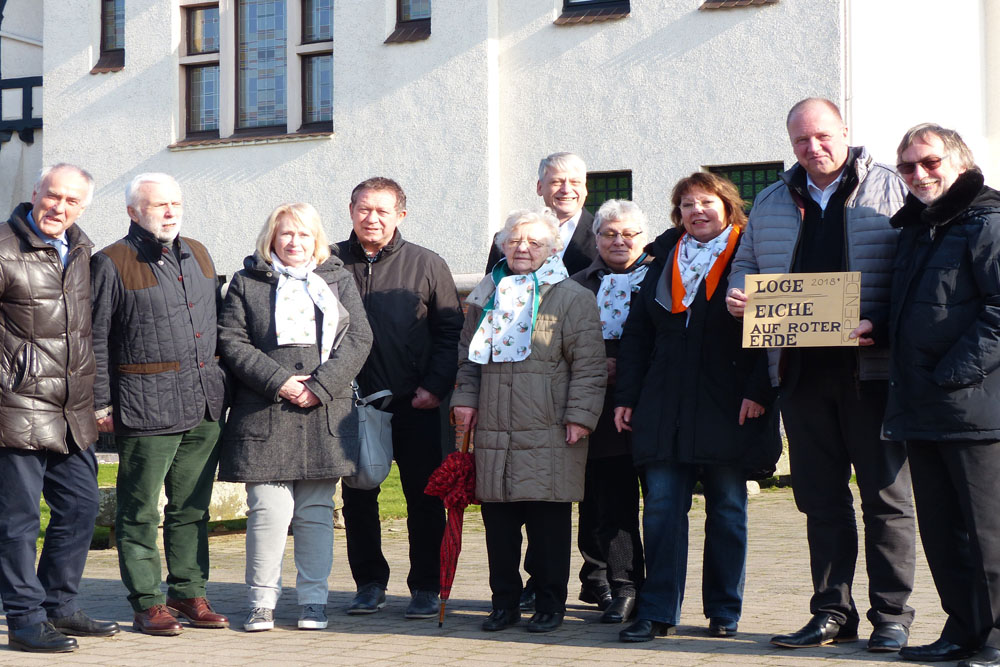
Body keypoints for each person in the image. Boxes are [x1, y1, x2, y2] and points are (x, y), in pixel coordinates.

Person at [726, 97, 916, 652]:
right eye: (802, 141)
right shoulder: (770, 199)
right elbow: (748, 264)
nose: (814, 148)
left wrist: (877, 323)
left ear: (845, 132)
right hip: (800, 371)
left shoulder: (891, 187)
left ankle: (891, 616)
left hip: (872, 371)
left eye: (823, 136)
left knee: (885, 498)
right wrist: (741, 296)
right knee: (819, 499)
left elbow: (915, 271)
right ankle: (832, 611)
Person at [614, 174, 780, 643]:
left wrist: (761, 392)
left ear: (727, 207)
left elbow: (771, 332)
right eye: (686, 204)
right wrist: (627, 396)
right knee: (663, 508)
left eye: (706, 202)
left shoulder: (752, 254)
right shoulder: (663, 257)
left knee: (727, 508)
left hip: (731, 402)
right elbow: (638, 333)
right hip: (665, 404)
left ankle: (724, 610)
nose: (696, 211)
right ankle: (657, 610)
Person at [218, 203, 372, 633]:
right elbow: (232, 340)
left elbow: (359, 338)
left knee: (316, 513)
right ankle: (261, 602)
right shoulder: (246, 283)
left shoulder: (338, 280)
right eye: (286, 234)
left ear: (317, 240)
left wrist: (318, 386)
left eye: (304, 235)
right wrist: (282, 382)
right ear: (271, 238)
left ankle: (313, 601)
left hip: (323, 413)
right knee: (267, 511)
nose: (294, 242)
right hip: (265, 414)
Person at [453, 208, 606, 633]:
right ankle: (503, 603)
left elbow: (589, 366)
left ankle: (549, 604)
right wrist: (464, 400)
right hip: (493, 431)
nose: (523, 248)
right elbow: (467, 359)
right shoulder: (485, 293)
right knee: (499, 528)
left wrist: (580, 417)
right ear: (502, 245)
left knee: (548, 528)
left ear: (553, 249)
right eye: (515, 240)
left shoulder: (572, 296)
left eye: (534, 242)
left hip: (550, 428)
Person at [90, 173, 228, 636]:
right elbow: (95, 339)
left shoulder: (200, 253)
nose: (169, 212)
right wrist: (100, 403)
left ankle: (188, 593)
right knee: (141, 510)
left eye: (175, 203)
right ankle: (148, 601)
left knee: (191, 507)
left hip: (204, 403)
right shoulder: (111, 262)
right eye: (157, 205)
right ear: (133, 211)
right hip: (146, 405)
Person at [882, 125, 1000, 667]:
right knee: (942, 530)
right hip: (921, 406)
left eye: (929, 162)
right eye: (907, 167)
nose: (919, 175)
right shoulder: (915, 228)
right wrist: (875, 330)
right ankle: (965, 628)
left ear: (959, 162)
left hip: (973, 406)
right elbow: (915, 310)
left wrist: (952, 374)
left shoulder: (987, 221)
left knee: (987, 533)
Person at [0, 164, 120, 652]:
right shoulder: (4, 247)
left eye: (72, 201)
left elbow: (89, 332)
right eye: (53, 196)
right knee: (18, 520)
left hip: (72, 409)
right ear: (35, 193)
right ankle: (25, 618)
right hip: (17, 404)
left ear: (83, 207)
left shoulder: (85, 251)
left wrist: (97, 399)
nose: (60, 207)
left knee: (81, 506)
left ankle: (59, 605)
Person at [334, 177, 464, 619]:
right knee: (359, 496)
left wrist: (435, 386)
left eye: (382, 211)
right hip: (350, 403)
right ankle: (368, 583)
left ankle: (426, 585)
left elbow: (450, 332)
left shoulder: (427, 264)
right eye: (364, 209)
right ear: (351, 210)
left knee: (424, 497)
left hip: (416, 402)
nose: (372, 218)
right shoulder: (327, 261)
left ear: (400, 216)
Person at [569, 199, 650, 624]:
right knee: (612, 505)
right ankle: (623, 587)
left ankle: (658, 589)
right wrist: (595, 363)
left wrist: (631, 366)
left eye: (629, 233)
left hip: (653, 404)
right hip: (599, 408)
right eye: (609, 233)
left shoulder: (663, 278)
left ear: (644, 236)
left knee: (659, 504)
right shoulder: (577, 285)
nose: (619, 241)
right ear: (596, 238)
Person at [485, 152, 597, 275]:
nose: (566, 190)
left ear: (585, 189)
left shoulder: (604, 238)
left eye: (575, 182)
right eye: (557, 182)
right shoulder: (506, 239)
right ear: (539, 187)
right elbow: (491, 288)